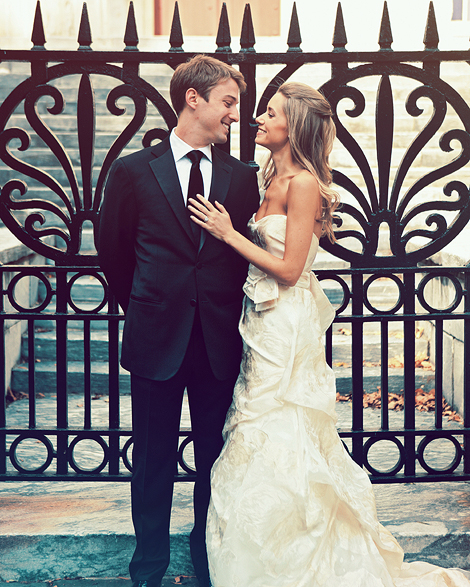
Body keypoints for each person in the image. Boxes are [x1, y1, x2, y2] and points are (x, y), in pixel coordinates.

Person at [188, 82, 470, 586]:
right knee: (254, 420)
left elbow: (292, 268)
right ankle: (262, 551)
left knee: (280, 421)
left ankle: (297, 551)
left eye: (269, 113)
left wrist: (229, 234)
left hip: (285, 323)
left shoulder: (304, 185)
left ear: (292, 126)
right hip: (259, 320)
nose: (258, 119)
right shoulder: (268, 178)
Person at [98, 55, 260, 587]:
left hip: (218, 341)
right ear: (195, 99)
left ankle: (207, 562)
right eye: (229, 103)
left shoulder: (242, 178)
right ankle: (148, 569)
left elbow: (242, 256)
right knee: (152, 463)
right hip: (155, 338)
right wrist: (147, 305)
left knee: (216, 460)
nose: (235, 114)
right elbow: (115, 252)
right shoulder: (132, 170)